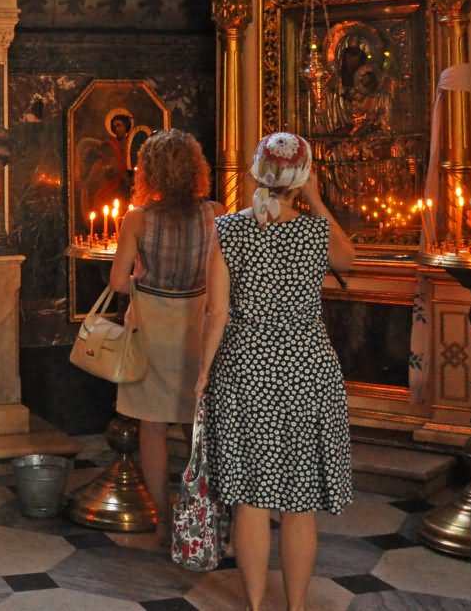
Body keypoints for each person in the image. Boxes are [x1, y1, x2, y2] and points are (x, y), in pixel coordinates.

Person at [194, 132, 356, 611]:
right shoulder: (313, 231)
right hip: (307, 368)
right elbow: (350, 260)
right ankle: (297, 607)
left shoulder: (228, 230)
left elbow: (217, 313)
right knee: (299, 503)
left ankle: (256, 605)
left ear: (254, 172)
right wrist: (316, 200)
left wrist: (203, 371)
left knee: (250, 497)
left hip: (246, 367)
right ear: (301, 178)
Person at [108, 129, 218, 548]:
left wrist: (140, 274)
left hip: (152, 332)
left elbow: (119, 282)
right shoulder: (216, 213)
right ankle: (201, 515)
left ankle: (161, 518)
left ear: (148, 171)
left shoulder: (137, 219)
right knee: (199, 427)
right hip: (200, 329)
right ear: (196, 169)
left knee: (151, 427)